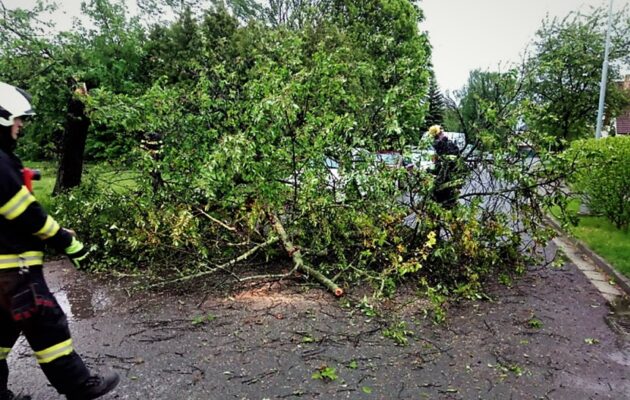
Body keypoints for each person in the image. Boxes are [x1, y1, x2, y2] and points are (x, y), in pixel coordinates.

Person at [0, 82, 119, 400]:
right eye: (17, 119)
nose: (21, 125)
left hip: (5, 274)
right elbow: (25, 214)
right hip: (15, 271)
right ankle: (79, 386)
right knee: (46, 324)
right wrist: (65, 238)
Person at [427, 124, 462, 208]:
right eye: (441, 133)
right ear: (437, 135)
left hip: (448, 183)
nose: (444, 134)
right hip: (449, 183)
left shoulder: (443, 146)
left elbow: (444, 167)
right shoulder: (443, 145)